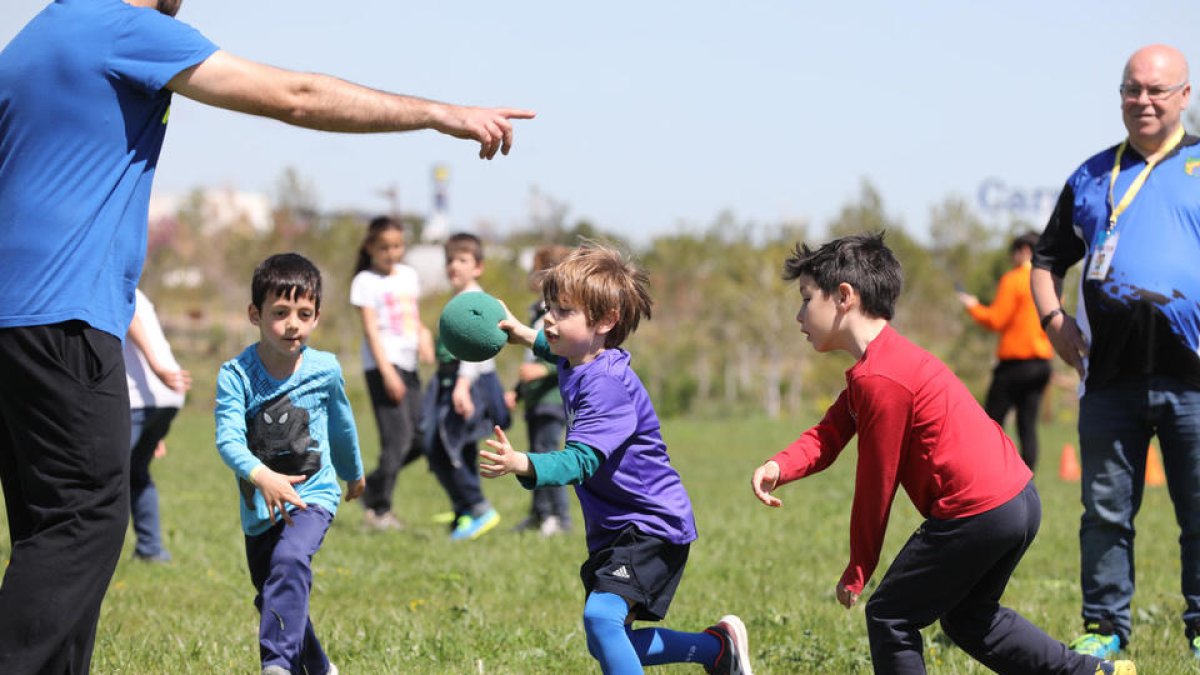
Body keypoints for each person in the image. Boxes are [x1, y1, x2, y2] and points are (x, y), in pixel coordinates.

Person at [0, 1, 532, 668]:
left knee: (49, 530)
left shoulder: (34, 39)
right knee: (83, 523)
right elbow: (298, 97)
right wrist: (439, 113)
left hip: (14, 325)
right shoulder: (122, 26)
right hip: (64, 318)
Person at [749, 234, 1133, 675]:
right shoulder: (882, 363)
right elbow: (832, 430)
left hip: (977, 512)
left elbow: (877, 483)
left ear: (843, 297)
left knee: (890, 615)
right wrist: (781, 466)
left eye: (805, 299)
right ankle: (1094, 673)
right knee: (969, 618)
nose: (799, 315)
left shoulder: (881, 378)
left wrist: (860, 566)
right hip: (1017, 500)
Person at [481, 244, 753, 675]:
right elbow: (558, 348)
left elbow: (580, 462)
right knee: (608, 640)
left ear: (605, 321)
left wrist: (523, 463)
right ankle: (715, 650)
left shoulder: (606, 384)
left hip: (651, 524)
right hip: (617, 526)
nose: (549, 318)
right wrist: (522, 332)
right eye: (549, 307)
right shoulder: (581, 358)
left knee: (601, 619)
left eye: (563, 311)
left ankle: (716, 650)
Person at [1031, 43, 1200, 659]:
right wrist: (1053, 320)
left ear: (1185, 95)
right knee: (1104, 514)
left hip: (1195, 384)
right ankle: (1104, 629)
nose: (1143, 101)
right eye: (1132, 89)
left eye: (1157, 90)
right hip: (1109, 381)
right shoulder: (1092, 175)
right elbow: (1046, 260)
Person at [214, 253, 365, 675]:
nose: (293, 324)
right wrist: (262, 476)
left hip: (311, 497)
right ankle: (318, 667)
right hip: (259, 506)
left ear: (316, 317)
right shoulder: (236, 375)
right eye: (280, 313)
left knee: (289, 563)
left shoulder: (325, 369)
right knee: (274, 594)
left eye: (304, 313)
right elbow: (228, 439)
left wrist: (352, 474)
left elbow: (342, 424)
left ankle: (277, 667)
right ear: (254, 314)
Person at [422, 233, 510, 541]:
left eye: (462, 260)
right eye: (449, 260)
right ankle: (464, 509)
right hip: (448, 379)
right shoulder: (457, 298)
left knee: (446, 446)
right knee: (445, 446)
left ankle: (478, 508)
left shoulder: (476, 301)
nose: (453, 266)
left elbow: (479, 349)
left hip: (467, 382)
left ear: (478, 267)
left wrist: (462, 385)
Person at [351, 216, 433, 531]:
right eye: (384, 247)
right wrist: (387, 372)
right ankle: (379, 511)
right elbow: (372, 331)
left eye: (397, 245)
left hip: (409, 364)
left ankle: (370, 488)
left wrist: (425, 335)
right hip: (383, 366)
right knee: (396, 441)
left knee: (423, 437)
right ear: (370, 247)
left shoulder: (409, 276)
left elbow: (412, 318)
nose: (391, 252)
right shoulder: (365, 282)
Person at [956, 232, 1054, 470]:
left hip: (1015, 363)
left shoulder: (1014, 279)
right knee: (1027, 425)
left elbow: (997, 320)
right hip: (1041, 363)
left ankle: (987, 472)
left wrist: (974, 307)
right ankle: (1027, 477)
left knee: (992, 422)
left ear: (1023, 251)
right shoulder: (1049, 280)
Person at [507, 244, 574, 537]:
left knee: (548, 455)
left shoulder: (565, 313)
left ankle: (559, 518)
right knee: (534, 454)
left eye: (538, 269)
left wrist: (543, 370)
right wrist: (517, 391)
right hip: (533, 399)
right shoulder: (536, 311)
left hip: (551, 398)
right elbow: (529, 359)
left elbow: (567, 355)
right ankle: (539, 513)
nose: (532, 276)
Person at [124, 288, 193, 563]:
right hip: (164, 397)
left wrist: (156, 368)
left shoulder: (112, 283)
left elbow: (129, 319)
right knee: (136, 472)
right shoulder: (139, 292)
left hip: (142, 394)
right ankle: (151, 550)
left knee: (104, 478)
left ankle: (82, 553)